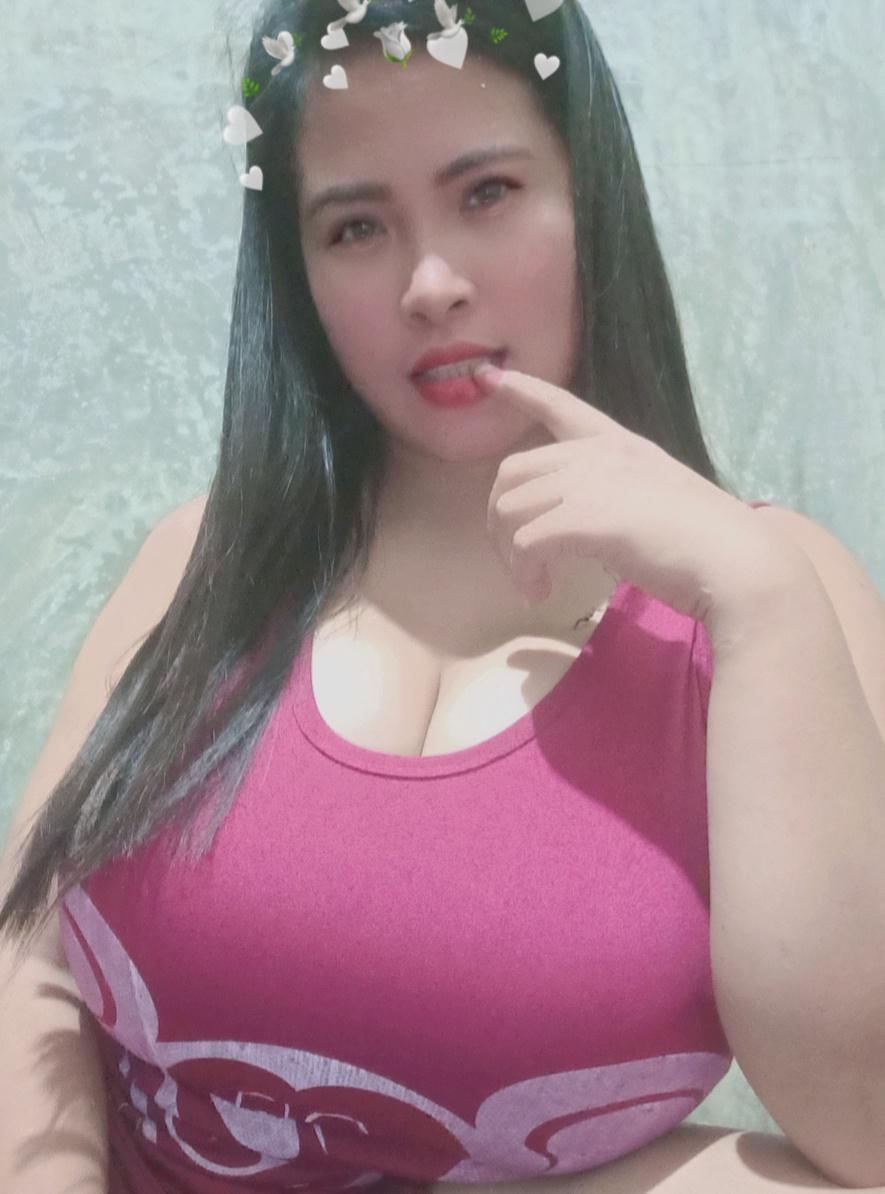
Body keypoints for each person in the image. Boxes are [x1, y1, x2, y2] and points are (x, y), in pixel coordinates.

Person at [2, 1, 861, 1192]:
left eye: (487, 193)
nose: (432, 284)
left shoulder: (776, 595)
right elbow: (30, 961)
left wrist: (758, 603)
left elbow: (864, 1132)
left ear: (590, 196)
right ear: (299, 271)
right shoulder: (201, 559)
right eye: (356, 226)